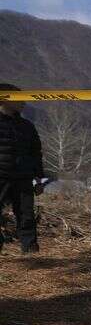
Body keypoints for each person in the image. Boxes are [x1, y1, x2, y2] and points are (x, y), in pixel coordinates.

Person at [0, 83, 45, 253]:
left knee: (26, 216)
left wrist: (39, 179)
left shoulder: (27, 126)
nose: (24, 102)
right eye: (19, 98)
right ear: (5, 99)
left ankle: (31, 250)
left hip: (23, 177)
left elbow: (35, 153)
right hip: (1, 176)